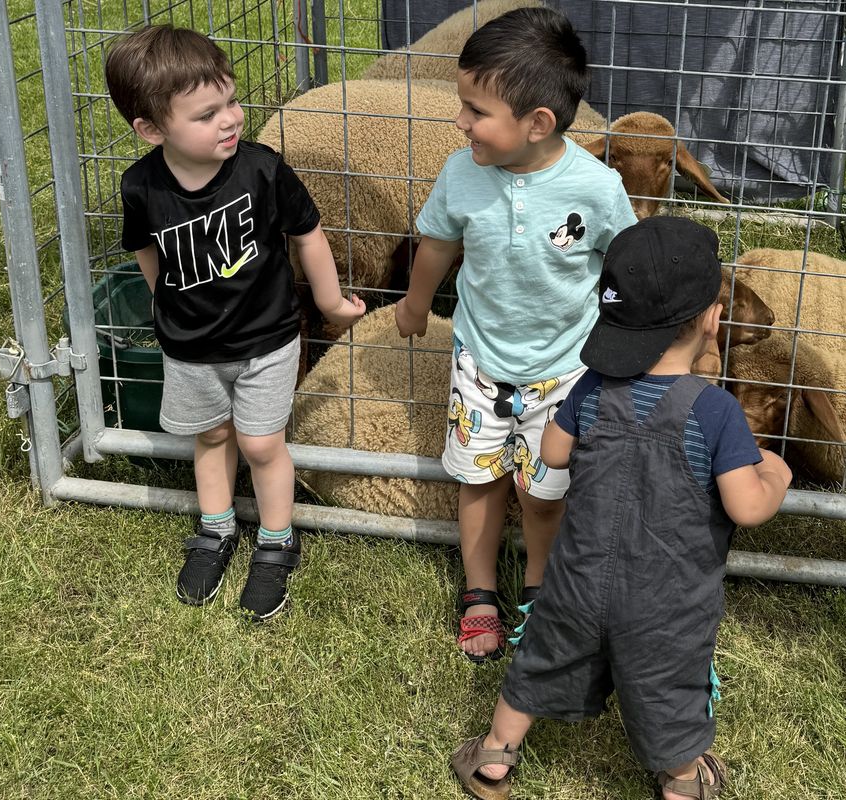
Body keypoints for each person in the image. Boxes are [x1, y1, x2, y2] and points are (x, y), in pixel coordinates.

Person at [449, 217, 794, 800]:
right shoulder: (714, 413)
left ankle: (493, 758)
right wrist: (775, 473)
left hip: (576, 579)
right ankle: (683, 781)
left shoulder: (591, 387)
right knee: (666, 687)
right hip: (666, 601)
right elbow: (747, 506)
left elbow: (554, 453)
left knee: (542, 659)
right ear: (712, 320)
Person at [394, 6, 638, 662]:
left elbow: (625, 264)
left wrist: (626, 340)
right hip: (482, 362)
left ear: (537, 124)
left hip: (565, 369)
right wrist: (416, 304)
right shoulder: (461, 174)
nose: (460, 121)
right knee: (479, 482)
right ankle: (479, 592)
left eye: (476, 110)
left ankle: (538, 587)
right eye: (461, 105)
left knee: (542, 490)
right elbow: (438, 246)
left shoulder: (597, 187)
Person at [105, 25, 364, 619]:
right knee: (212, 435)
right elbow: (145, 248)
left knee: (261, 441)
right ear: (151, 129)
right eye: (206, 114)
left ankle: (276, 540)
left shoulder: (262, 171)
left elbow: (307, 233)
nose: (230, 120)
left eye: (231, 102)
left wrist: (328, 303)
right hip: (190, 347)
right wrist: (160, 300)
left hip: (266, 338)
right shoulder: (141, 186)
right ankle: (216, 529)